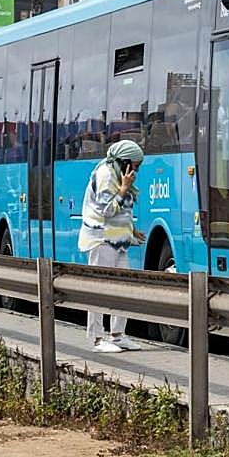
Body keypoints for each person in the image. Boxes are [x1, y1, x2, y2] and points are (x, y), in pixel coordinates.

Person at [78, 140, 146, 352]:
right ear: (123, 162)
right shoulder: (106, 175)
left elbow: (122, 211)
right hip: (101, 239)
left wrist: (132, 230)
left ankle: (117, 335)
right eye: (134, 165)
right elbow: (107, 210)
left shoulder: (117, 175)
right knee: (99, 288)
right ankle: (97, 338)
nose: (136, 170)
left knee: (123, 288)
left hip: (118, 242)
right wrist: (124, 188)